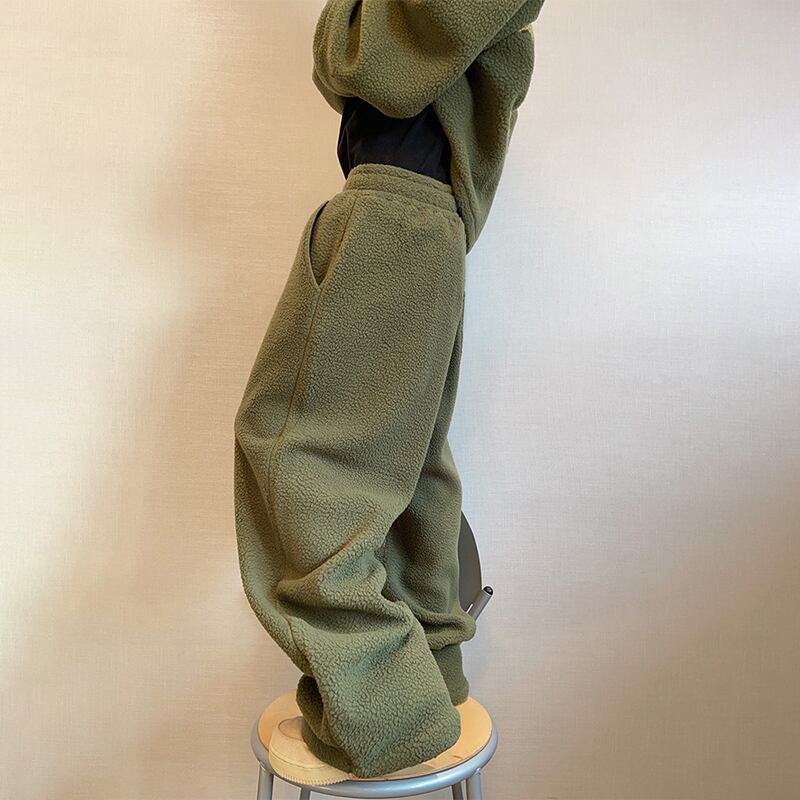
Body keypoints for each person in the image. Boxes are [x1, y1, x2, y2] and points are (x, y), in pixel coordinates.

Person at [234, 0, 546, 781]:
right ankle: (427, 677)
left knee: (305, 459)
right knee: (406, 470)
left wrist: (345, 25)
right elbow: (358, 57)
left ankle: (381, 715)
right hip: (424, 214)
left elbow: (362, 62)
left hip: (395, 206)